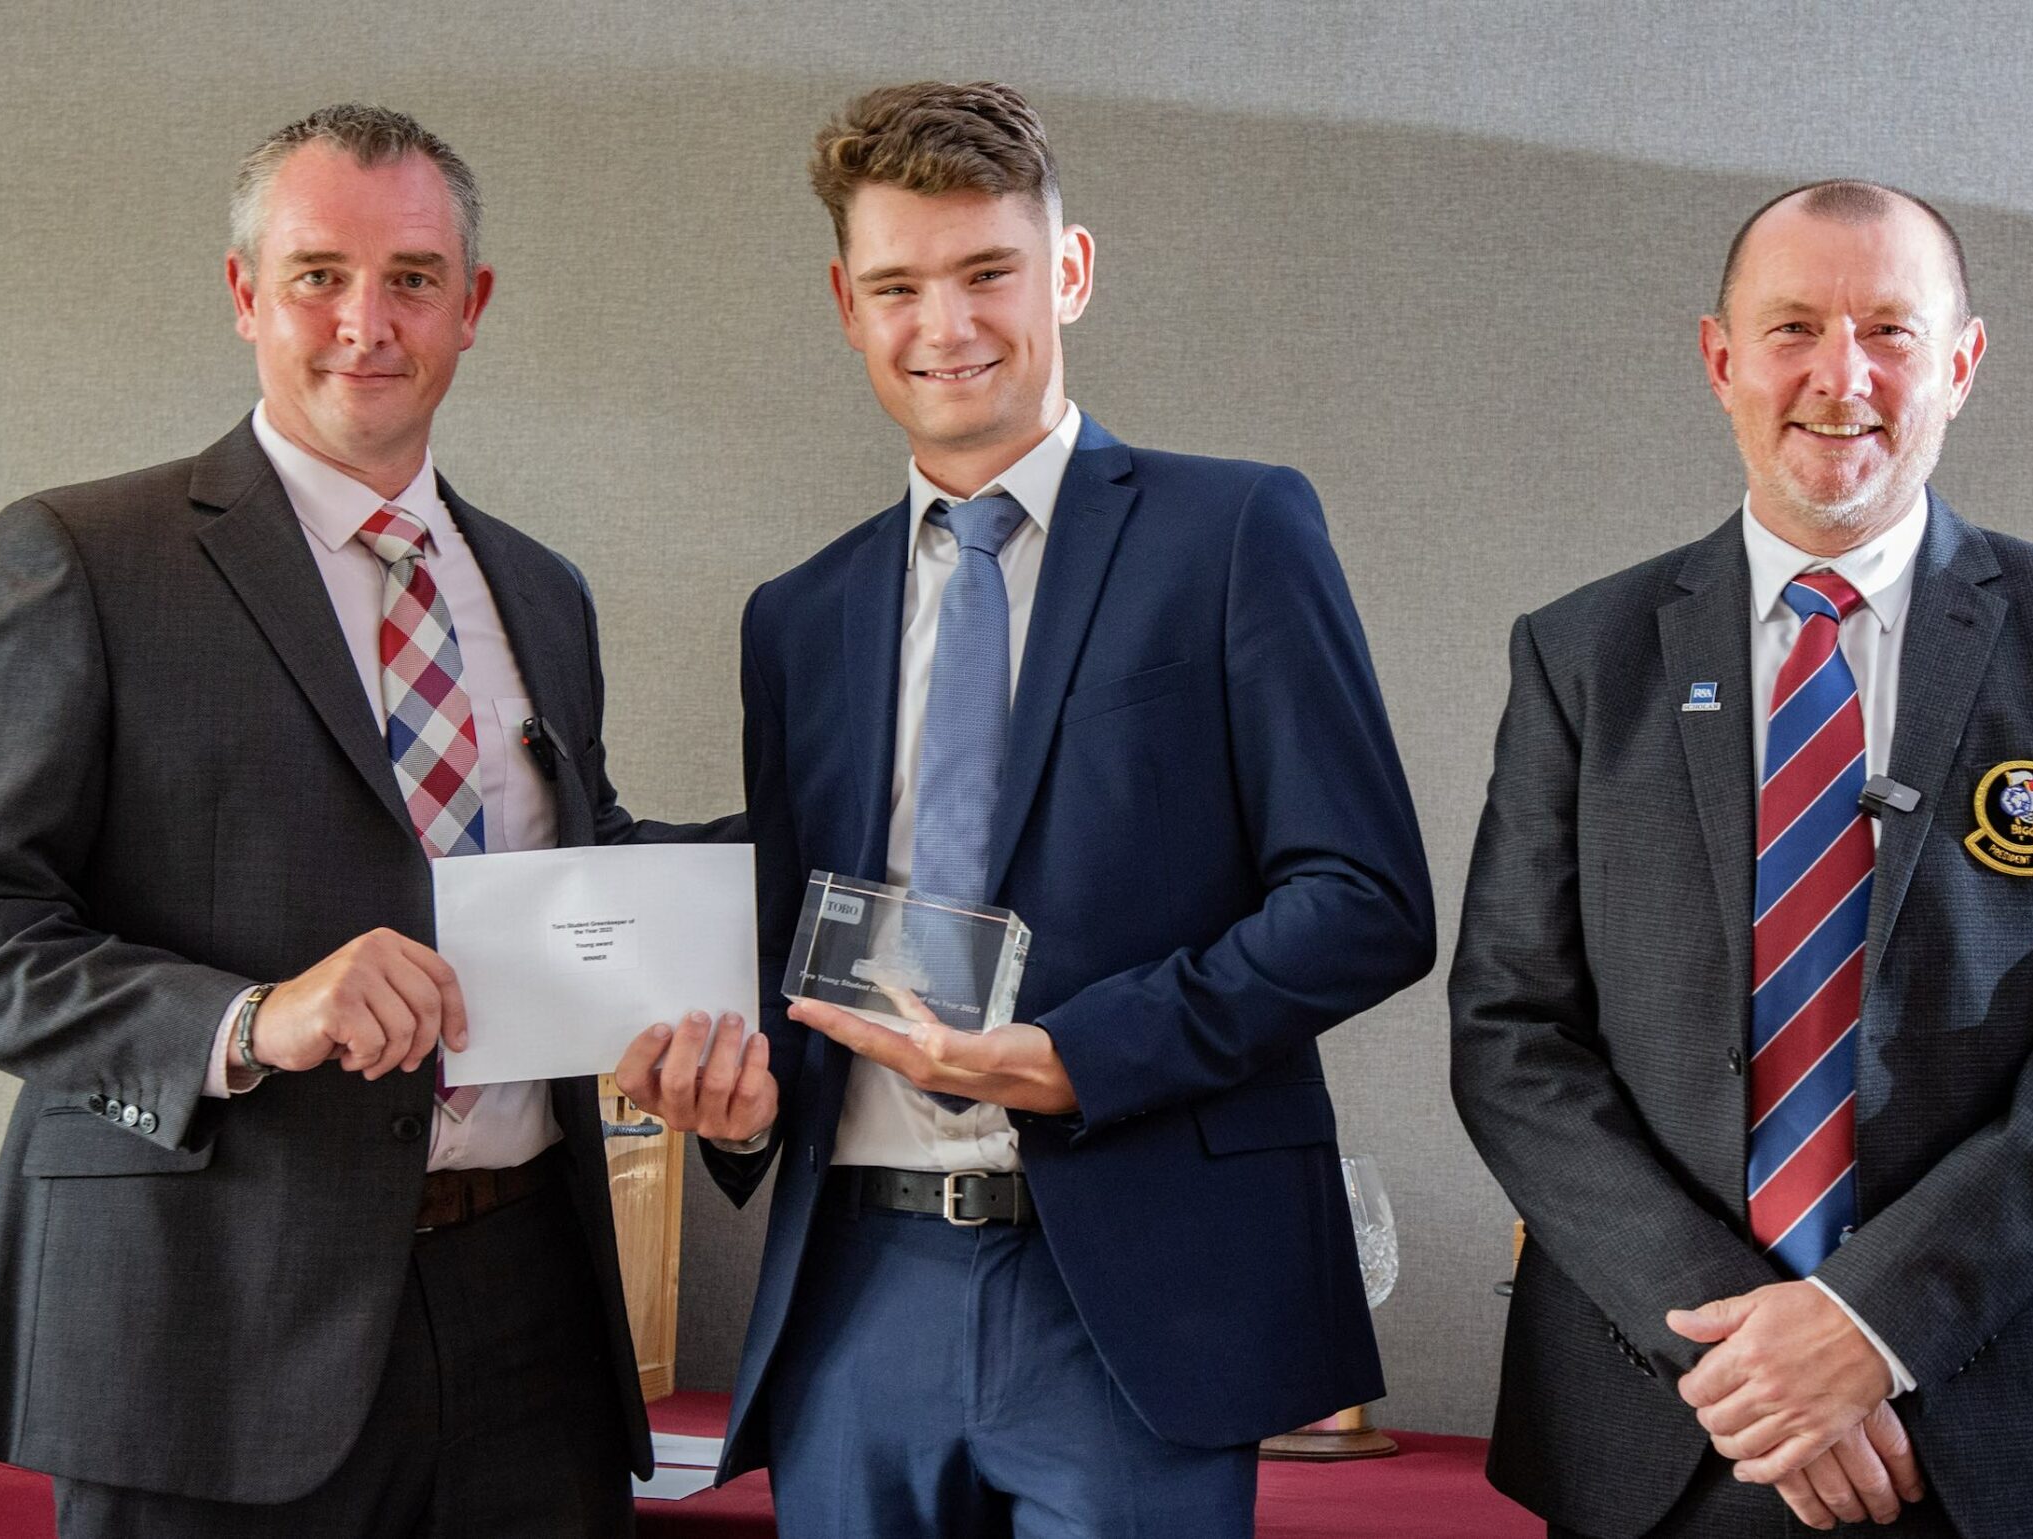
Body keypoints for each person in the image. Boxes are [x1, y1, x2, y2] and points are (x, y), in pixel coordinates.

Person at [0, 104, 735, 1537]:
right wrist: (250, 1017)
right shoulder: (88, 557)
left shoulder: (542, 590)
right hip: (211, 1338)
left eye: (411, 278)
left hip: (532, 1330)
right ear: (244, 297)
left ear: (473, 308)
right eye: (318, 274)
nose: (366, 321)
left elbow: (562, 869)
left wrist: (799, 898)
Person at [615, 80, 1435, 1537]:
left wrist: (1074, 1056)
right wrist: (734, 1113)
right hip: (856, 1293)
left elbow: (1364, 904)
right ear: (846, 304)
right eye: (899, 286)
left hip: (1126, 1287)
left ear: (1068, 270)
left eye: (989, 271)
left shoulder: (1236, 532)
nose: (948, 324)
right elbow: (796, 944)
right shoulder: (799, 617)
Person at [1448, 179, 2033, 1538]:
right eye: (1795, 328)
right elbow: (1514, 1036)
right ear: (1719, 360)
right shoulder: (1584, 658)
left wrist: (1867, 1325)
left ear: (1962, 363)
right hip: (1676, 1422)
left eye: (1889, 329)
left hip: (2024, 1414)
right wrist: (1752, 1353)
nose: (1843, 375)